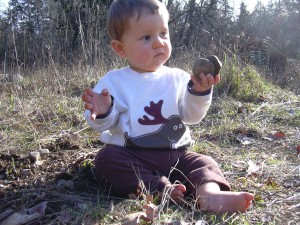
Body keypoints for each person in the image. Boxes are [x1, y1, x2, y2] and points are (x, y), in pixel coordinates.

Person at [82, 0, 254, 213]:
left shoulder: (179, 78)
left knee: (203, 163)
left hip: (177, 156)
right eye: (146, 37)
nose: (158, 42)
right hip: (132, 156)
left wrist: (198, 94)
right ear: (120, 48)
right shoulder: (114, 82)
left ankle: (209, 195)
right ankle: (157, 188)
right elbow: (102, 124)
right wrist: (104, 111)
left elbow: (191, 117)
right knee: (106, 160)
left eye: (163, 33)